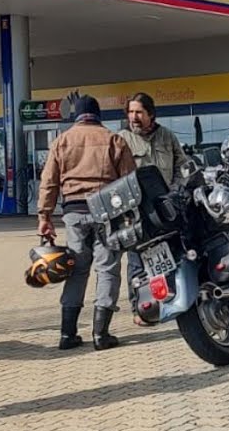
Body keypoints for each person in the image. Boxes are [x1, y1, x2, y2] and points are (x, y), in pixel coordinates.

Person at [37, 91, 136, 350]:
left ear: (77, 116)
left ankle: (67, 335)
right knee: (107, 269)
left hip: (74, 212)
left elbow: (49, 183)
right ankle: (101, 334)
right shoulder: (114, 139)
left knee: (77, 269)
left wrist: (44, 216)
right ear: (98, 116)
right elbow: (129, 181)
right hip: (107, 212)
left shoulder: (62, 141)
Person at [111, 92, 187, 325]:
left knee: (173, 253)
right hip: (137, 210)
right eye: (130, 112)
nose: (133, 117)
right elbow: (113, 175)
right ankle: (140, 309)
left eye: (139, 112)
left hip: (166, 206)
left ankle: (174, 300)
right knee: (137, 258)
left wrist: (176, 189)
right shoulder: (121, 139)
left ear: (151, 114)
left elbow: (181, 165)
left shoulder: (167, 137)